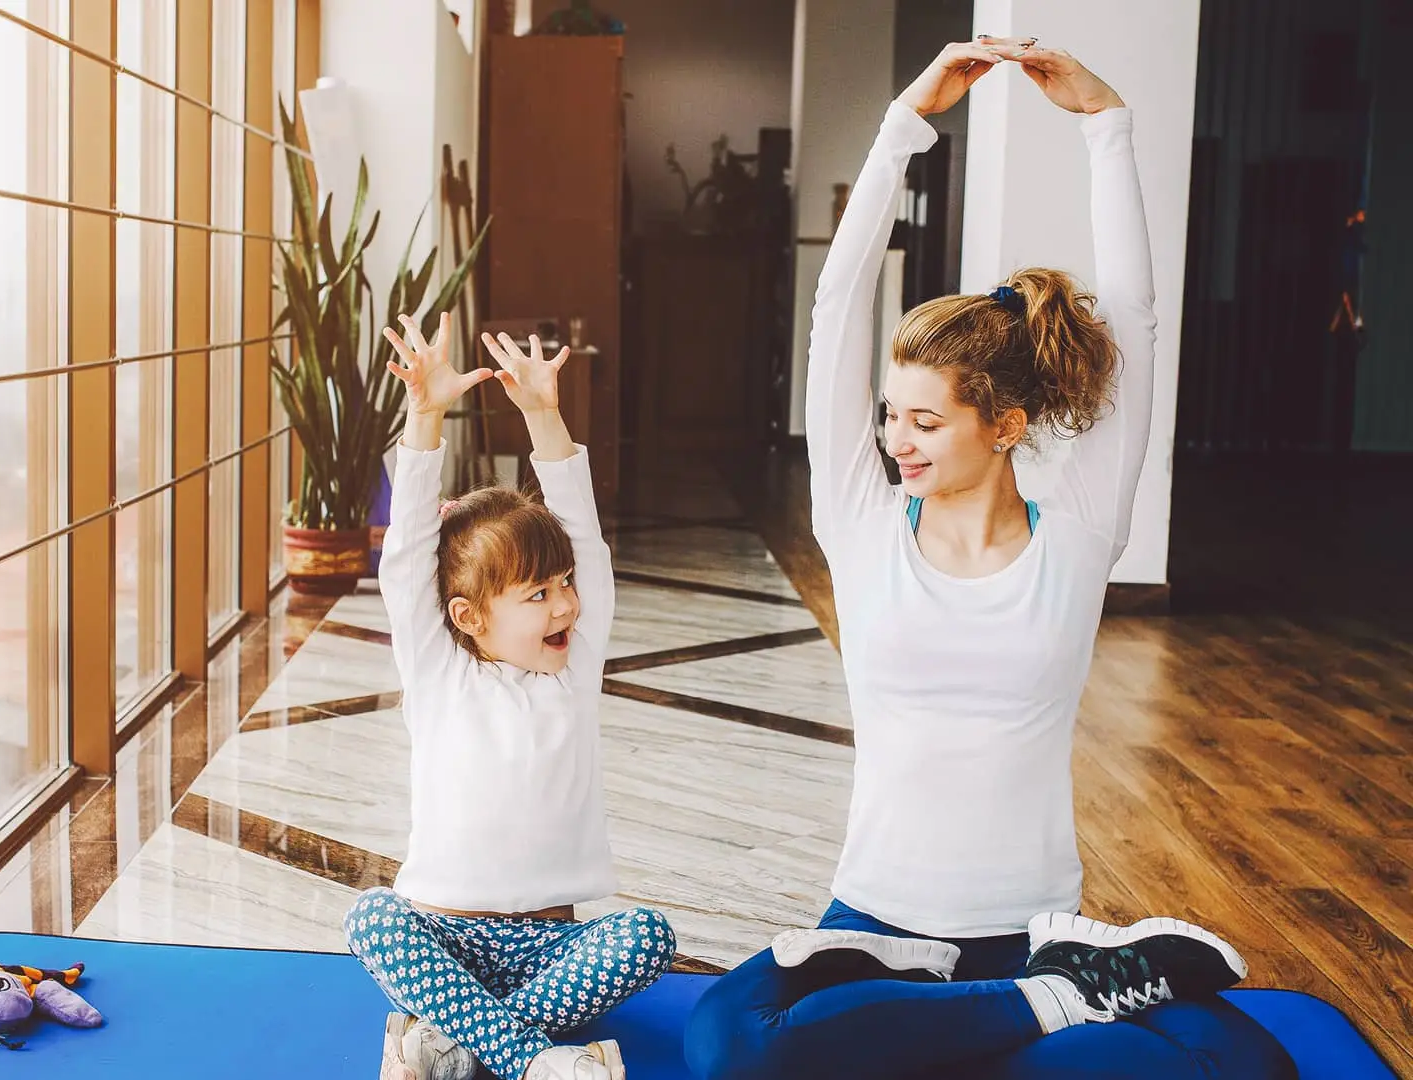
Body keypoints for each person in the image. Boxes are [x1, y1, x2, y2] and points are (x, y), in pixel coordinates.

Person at [681, 39, 1299, 1080]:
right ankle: (1066, 1000)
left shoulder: (1083, 531)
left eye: (927, 420)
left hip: (1029, 920)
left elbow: (1138, 328)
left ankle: (1044, 982)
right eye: (890, 417)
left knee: (1253, 1071)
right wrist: (901, 129)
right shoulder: (864, 524)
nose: (897, 441)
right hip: (870, 923)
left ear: (1005, 425)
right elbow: (835, 315)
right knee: (727, 1052)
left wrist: (1110, 126)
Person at [344, 314, 676, 1080]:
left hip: (553, 949)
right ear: (468, 617)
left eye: (564, 587)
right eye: (537, 594)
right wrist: (425, 416)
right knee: (369, 918)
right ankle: (535, 1061)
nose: (563, 605)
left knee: (647, 934)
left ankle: (454, 1044)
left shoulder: (573, 671)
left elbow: (585, 539)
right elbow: (404, 564)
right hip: (445, 936)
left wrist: (544, 416)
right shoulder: (440, 674)